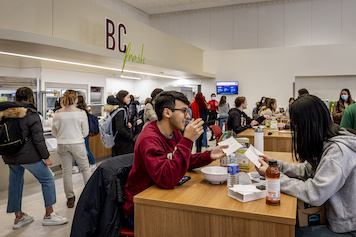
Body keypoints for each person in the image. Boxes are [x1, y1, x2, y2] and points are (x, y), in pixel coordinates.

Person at [122, 91, 228, 229]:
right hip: (140, 208)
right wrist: (187, 140)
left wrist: (208, 155)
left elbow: (183, 160)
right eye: (184, 111)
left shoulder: (174, 132)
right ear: (167, 113)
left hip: (160, 198)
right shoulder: (149, 139)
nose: (188, 116)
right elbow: (167, 178)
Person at [256, 95, 356, 234]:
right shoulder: (327, 141)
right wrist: (276, 165)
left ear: (309, 125)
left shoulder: (337, 153)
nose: (295, 129)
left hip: (345, 227)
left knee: (284, 230)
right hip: (329, 214)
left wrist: (274, 177)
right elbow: (308, 169)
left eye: (297, 125)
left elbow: (315, 194)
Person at [1, 87, 67, 229]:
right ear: (31, 97)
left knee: (15, 183)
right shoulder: (31, 113)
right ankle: (49, 215)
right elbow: (38, 139)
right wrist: (46, 157)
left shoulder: (5, 113)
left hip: (10, 155)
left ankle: (19, 217)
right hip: (28, 156)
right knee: (47, 179)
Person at [52, 90, 91, 208]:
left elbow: (54, 132)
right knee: (85, 168)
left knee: (66, 171)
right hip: (78, 143)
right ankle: (89, 195)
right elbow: (85, 132)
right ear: (76, 99)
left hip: (62, 144)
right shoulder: (81, 112)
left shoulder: (57, 113)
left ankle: (70, 197)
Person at [104, 91, 135, 156]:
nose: (129, 99)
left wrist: (127, 122)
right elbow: (120, 128)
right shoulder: (121, 110)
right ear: (122, 98)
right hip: (122, 142)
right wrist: (131, 137)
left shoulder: (116, 109)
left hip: (116, 140)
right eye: (128, 97)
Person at [72, 95, 96, 173]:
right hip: (85, 132)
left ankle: (92, 164)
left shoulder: (78, 110)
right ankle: (78, 166)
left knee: (83, 150)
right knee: (83, 149)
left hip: (80, 132)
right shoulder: (86, 110)